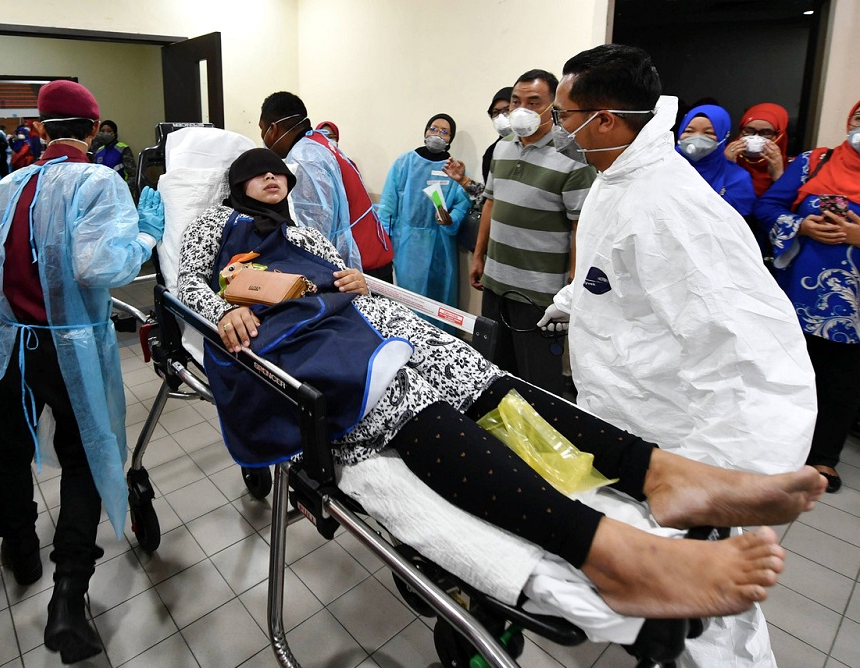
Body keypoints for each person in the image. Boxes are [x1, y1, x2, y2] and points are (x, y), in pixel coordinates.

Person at [176, 147, 826, 627]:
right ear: (237, 184)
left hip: (358, 318)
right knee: (410, 401)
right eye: (258, 171)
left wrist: (351, 279)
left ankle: (655, 472)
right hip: (292, 342)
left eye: (278, 173)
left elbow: (343, 272)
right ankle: (610, 554)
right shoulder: (214, 225)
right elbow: (189, 283)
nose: (272, 177)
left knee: (486, 380)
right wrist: (221, 311)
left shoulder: (305, 231)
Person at [537, 44, 818, 668]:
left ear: (604, 118)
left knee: (713, 606)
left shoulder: (672, 206)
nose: (555, 127)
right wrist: (571, 301)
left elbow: (750, 353)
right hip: (628, 418)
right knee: (660, 590)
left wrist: (727, 477)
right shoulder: (616, 180)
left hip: (685, 438)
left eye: (562, 113)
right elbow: (610, 272)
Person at [0, 81, 164, 665]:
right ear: (95, 131)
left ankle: (21, 550)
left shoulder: (4, 186)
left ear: (42, 130)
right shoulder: (99, 182)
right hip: (69, 346)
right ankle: (68, 596)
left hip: (5, 344)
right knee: (83, 457)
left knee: (8, 451)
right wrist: (146, 231)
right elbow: (100, 265)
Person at [753, 99, 860, 494]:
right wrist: (801, 225)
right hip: (796, 294)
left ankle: (823, 459)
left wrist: (856, 236)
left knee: (840, 382)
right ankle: (776, 447)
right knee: (785, 370)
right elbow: (767, 206)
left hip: (852, 308)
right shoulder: (813, 162)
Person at [471, 71, 596, 394]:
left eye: (533, 102)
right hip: (496, 282)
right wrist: (479, 254)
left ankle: (539, 443)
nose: (520, 109)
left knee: (538, 379)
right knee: (494, 370)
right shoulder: (502, 147)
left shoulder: (572, 157)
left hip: (539, 292)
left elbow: (580, 224)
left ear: (552, 106)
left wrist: (572, 283)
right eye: (516, 101)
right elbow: (490, 202)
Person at [260, 92, 394, 281]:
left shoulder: (304, 157)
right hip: (374, 252)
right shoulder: (319, 144)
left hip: (361, 266)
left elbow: (314, 231)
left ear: (273, 128)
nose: (262, 137)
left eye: (262, 129)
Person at [379, 114, 470, 307]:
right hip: (406, 246)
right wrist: (384, 243)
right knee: (408, 300)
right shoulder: (404, 163)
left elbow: (461, 205)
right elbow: (387, 206)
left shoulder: (454, 169)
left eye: (445, 132)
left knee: (439, 302)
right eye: (434, 129)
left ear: (450, 140)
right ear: (425, 131)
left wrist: (449, 219)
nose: (438, 134)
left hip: (441, 247)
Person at [676, 104, 756, 216]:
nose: (697, 137)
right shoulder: (661, 166)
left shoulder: (737, 178)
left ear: (723, 137)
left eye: (708, 133)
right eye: (689, 131)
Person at [444, 86, 514, 207]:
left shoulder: (537, 147)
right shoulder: (492, 152)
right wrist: (464, 180)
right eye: (496, 113)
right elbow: (488, 198)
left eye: (507, 110)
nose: (501, 117)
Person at [725, 103, 790, 196]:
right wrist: (726, 166)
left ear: (780, 136)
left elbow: (787, 204)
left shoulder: (793, 167)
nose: (756, 137)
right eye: (749, 131)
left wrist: (778, 176)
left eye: (766, 133)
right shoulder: (724, 156)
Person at [92, 120, 137, 201]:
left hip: (121, 194)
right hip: (103, 196)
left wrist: (125, 192)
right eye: (102, 131)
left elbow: (133, 174)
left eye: (109, 131)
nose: (105, 133)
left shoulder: (123, 148)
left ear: (115, 133)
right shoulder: (99, 151)